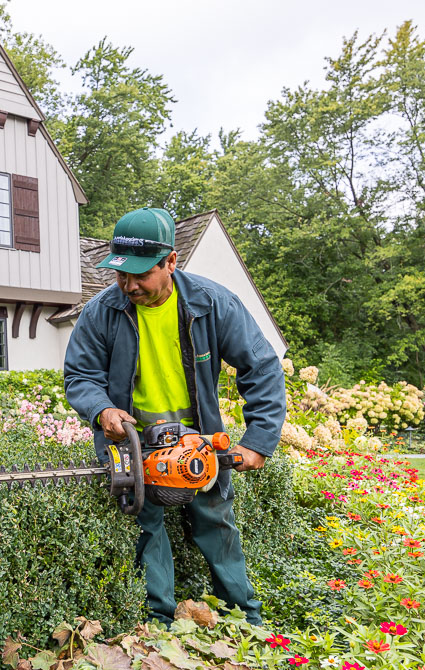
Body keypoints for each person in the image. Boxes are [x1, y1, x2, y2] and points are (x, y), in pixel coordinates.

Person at [63, 207, 286, 626]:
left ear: (170, 262)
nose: (128, 285)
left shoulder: (212, 303)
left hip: (197, 440)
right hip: (130, 443)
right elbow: (80, 374)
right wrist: (102, 409)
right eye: (120, 275)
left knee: (217, 527)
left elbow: (261, 366)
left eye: (140, 274)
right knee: (145, 533)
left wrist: (258, 441)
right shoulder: (100, 311)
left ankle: (247, 624)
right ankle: (158, 630)